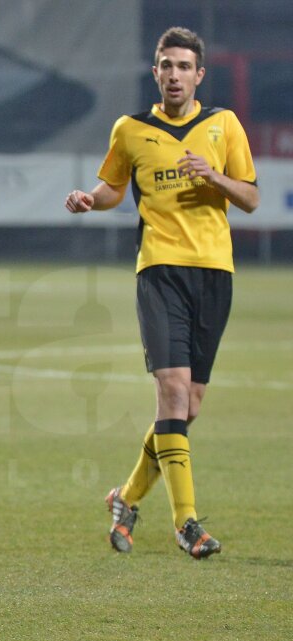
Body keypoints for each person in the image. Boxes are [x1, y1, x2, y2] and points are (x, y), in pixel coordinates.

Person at [64, 26, 258, 559]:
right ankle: (186, 524)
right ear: (156, 73)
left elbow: (251, 197)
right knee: (172, 393)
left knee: (187, 407)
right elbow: (112, 188)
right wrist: (89, 200)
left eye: (183, 67)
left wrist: (214, 178)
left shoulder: (224, 125)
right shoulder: (131, 129)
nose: (174, 75)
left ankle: (125, 499)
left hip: (215, 273)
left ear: (199, 75)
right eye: (165, 65)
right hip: (159, 271)